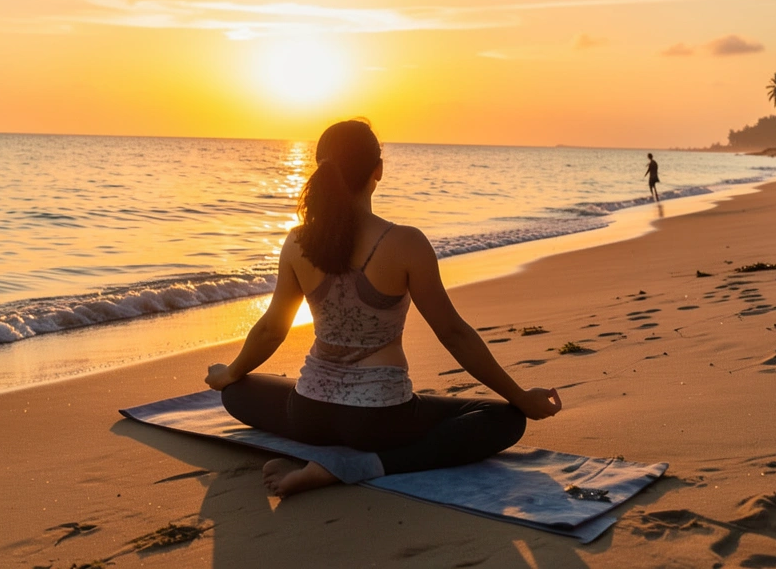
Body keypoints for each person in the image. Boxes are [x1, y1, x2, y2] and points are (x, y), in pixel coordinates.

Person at [205, 120, 563, 498]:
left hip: (309, 413)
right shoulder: (406, 243)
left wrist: (230, 373)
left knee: (236, 392)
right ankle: (365, 465)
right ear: (378, 169)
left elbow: (271, 330)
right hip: (380, 421)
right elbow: (453, 334)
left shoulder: (297, 241)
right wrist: (520, 397)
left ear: (320, 169)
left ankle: (322, 454)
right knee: (504, 420)